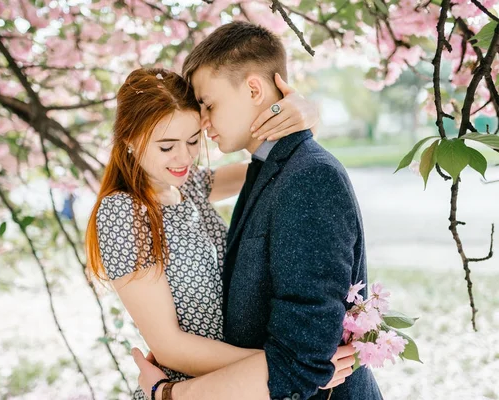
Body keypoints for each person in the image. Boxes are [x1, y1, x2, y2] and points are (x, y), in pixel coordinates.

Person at [132, 21, 383, 400]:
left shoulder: (309, 176)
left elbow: (300, 361)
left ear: (253, 88)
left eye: (208, 104)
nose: (202, 121)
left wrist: (167, 394)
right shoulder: (266, 168)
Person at [85, 67, 355, 400]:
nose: (184, 157)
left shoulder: (191, 186)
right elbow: (169, 347)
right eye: (166, 147)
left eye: (193, 140)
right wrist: (293, 369)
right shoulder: (123, 214)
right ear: (129, 139)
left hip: (243, 384)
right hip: (192, 387)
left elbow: (282, 164)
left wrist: (307, 113)